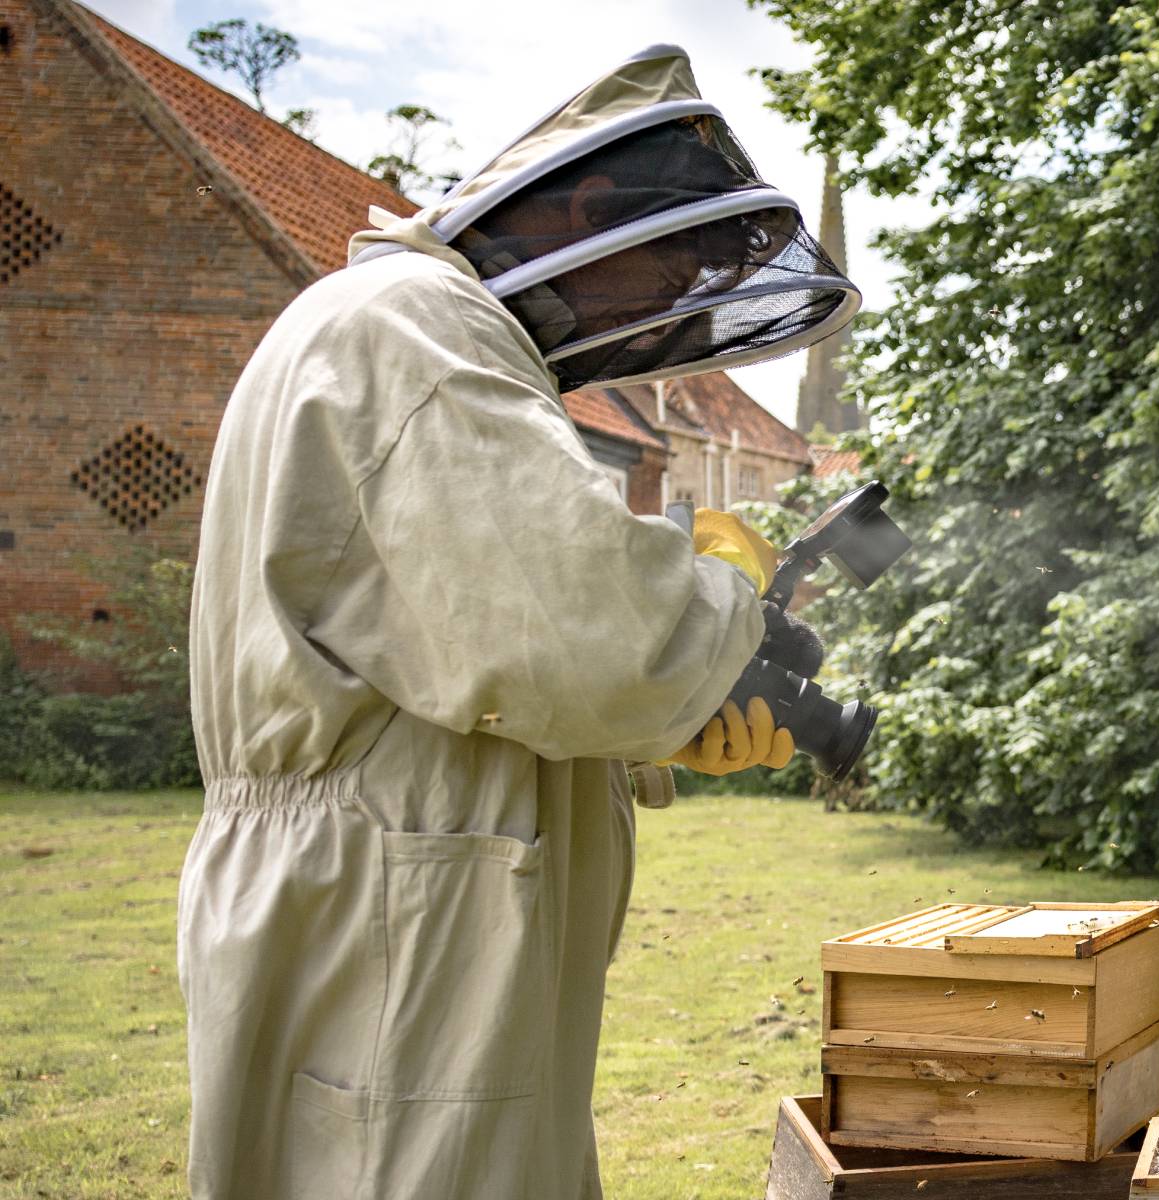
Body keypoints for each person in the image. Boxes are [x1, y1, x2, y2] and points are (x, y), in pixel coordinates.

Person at [179, 46, 858, 1199]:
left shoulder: (400, 330)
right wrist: (712, 621)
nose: (665, 311)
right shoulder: (414, 335)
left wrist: (663, 718)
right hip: (392, 929)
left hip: (402, 898)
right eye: (669, 273)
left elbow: (484, 647)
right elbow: (593, 627)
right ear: (591, 208)